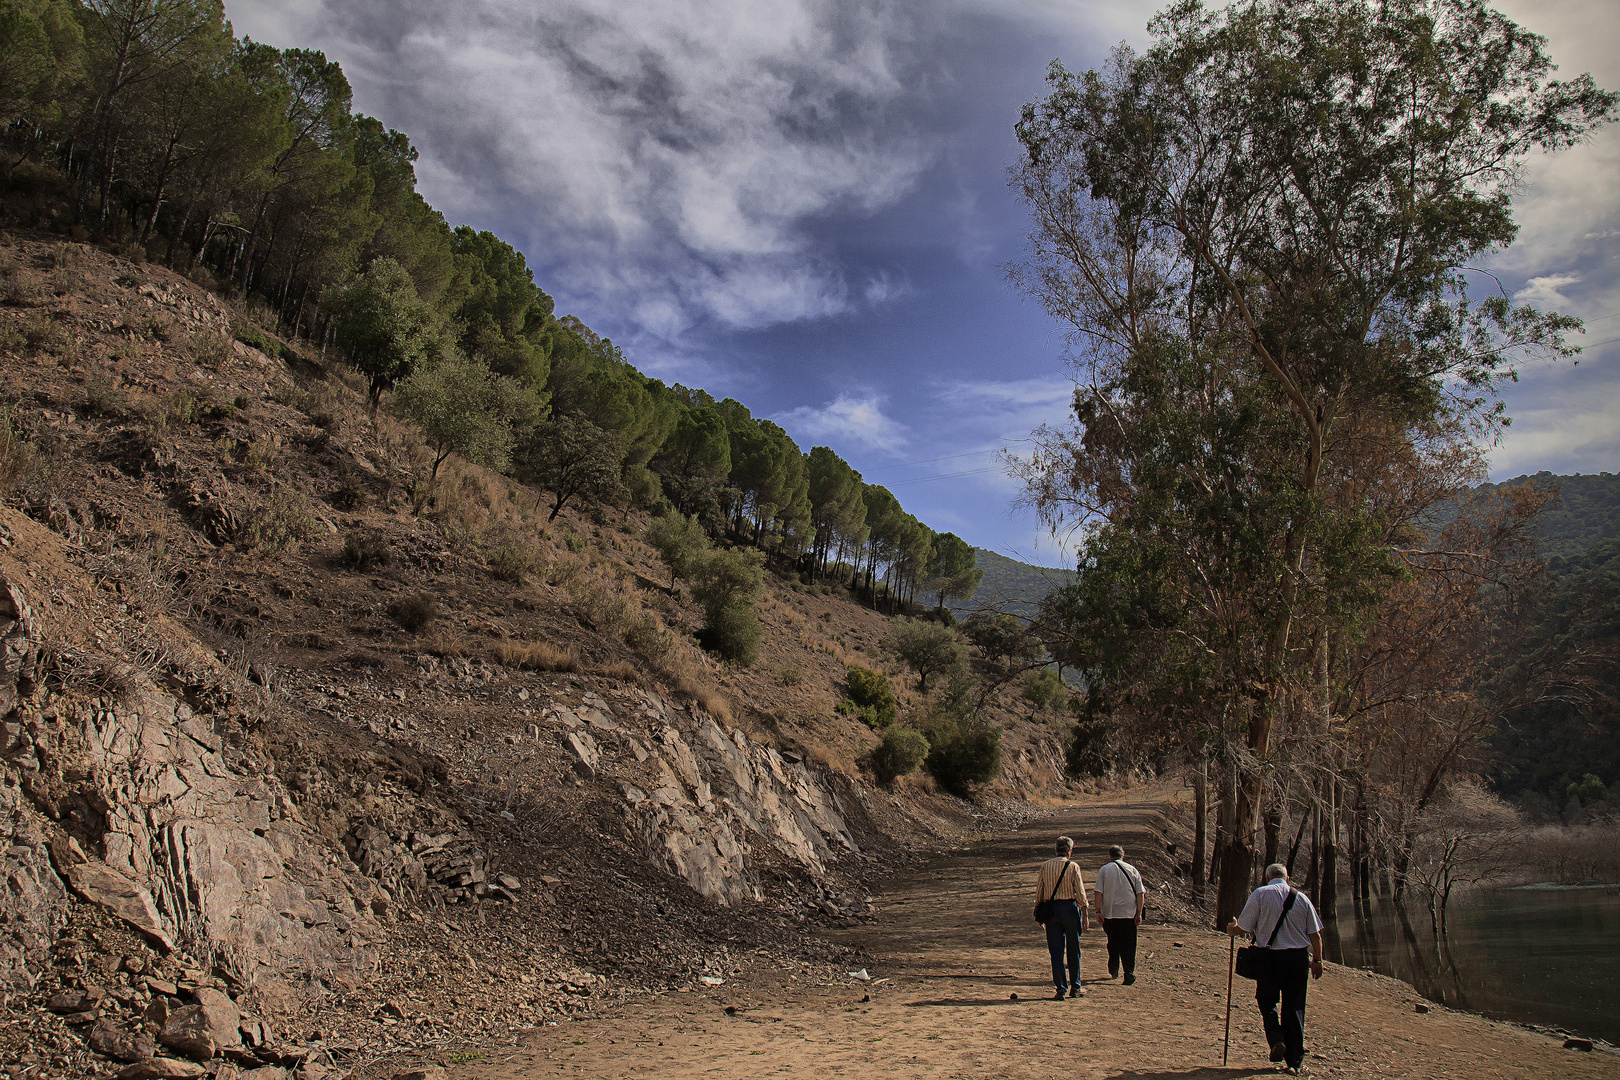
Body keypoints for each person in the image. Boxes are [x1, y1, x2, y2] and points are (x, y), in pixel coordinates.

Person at [1225, 864, 1325, 1075]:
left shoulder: (1260, 894)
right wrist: (1317, 960)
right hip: (1297, 959)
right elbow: (1315, 935)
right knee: (1294, 1007)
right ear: (1287, 878)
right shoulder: (1302, 898)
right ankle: (1294, 1062)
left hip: (1269, 958)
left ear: (1266, 877)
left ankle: (1276, 1039)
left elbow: (1243, 928)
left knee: (1266, 1001)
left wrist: (1231, 928)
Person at [1034, 835, 1089, 999]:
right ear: (1069, 851)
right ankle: (1076, 986)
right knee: (1074, 949)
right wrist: (1085, 913)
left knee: (1056, 951)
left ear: (1055, 849)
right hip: (1069, 908)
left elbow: (1039, 891)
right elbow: (1080, 892)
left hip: (1051, 910)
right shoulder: (1073, 866)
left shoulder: (1045, 866)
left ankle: (1060, 987)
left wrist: (1039, 914)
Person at [1092, 844, 1145, 984]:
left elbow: (1098, 892)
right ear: (1123, 855)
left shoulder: (1104, 870)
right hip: (1129, 913)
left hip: (1110, 913)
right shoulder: (1132, 870)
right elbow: (1140, 893)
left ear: (1110, 856)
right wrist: (1139, 912)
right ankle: (1128, 972)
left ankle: (1113, 967)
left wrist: (1098, 911)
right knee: (1129, 944)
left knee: (1113, 941)